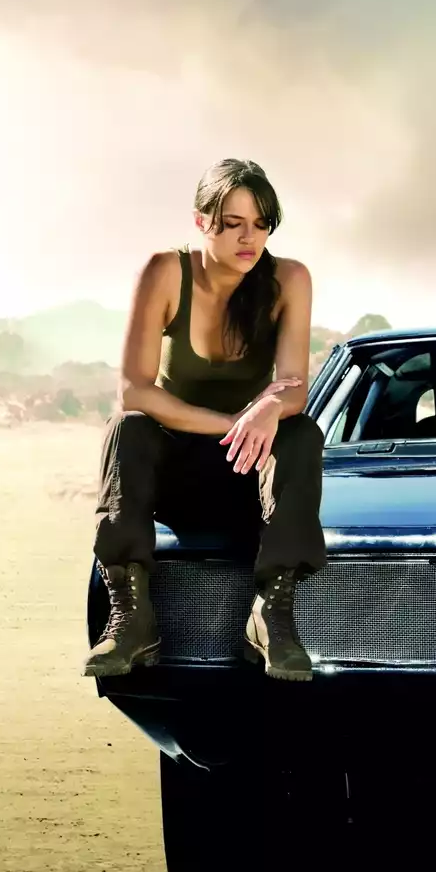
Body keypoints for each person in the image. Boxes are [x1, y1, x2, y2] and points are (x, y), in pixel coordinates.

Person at [84, 158, 326, 682]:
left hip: (246, 479)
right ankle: (131, 618)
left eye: (261, 224)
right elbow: (134, 390)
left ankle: (272, 616)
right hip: (174, 478)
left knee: (302, 431)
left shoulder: (290, 278)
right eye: (232, 223)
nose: (249, 238)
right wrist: (237, 422)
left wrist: (270, 407)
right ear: (200, 221)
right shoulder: (165, 272)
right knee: (126, 426)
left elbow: (294, 387)